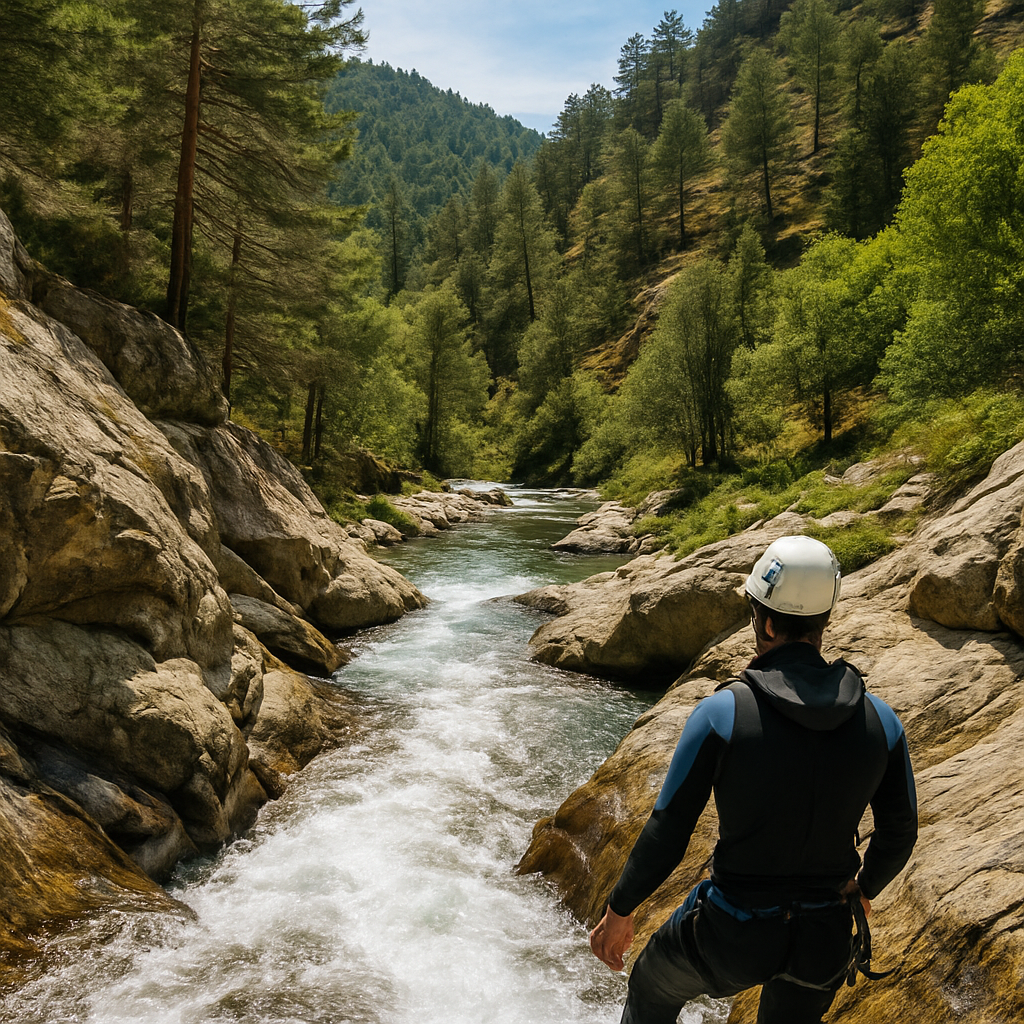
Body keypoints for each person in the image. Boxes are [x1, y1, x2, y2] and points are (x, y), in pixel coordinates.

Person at [589, 535, 918, 1024]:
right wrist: (863, 888)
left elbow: (669, 828)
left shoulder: (723, 712)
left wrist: (619, 911)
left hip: (730, 935)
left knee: (652, 986)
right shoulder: (881, 720)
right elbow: (900, 833)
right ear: (823, 621)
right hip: (823, 936)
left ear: (764, 621)